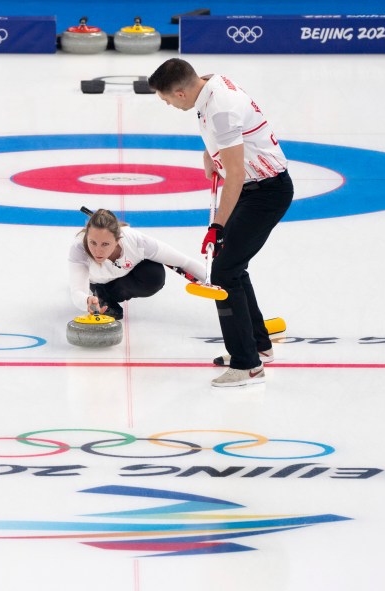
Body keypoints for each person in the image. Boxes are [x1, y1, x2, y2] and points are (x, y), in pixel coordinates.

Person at [148, 58, 293, 388]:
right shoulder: (209, 84)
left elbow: (237, 175)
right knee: (234, 268)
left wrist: (218, 226)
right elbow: (224, 140)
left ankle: (247, 366)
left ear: (182, 93)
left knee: (224, 273)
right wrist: (210, 154)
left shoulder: (221, 110)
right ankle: (258, 344)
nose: (168, 104)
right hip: (253, 186)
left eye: (167, 99)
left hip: (264, 191)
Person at [69, 209, 205, 320]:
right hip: (99, 283)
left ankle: (112, 294)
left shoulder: (137, 241)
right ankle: (102, 295)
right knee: (107, 305)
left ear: (117, 240)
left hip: (125, 278)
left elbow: (184, 262)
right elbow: (77, 292)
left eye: (105, 244)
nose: (97, 251)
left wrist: (215, 281)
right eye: (93, 242)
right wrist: (87, 300)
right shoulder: (79, 248)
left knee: (154, 275)